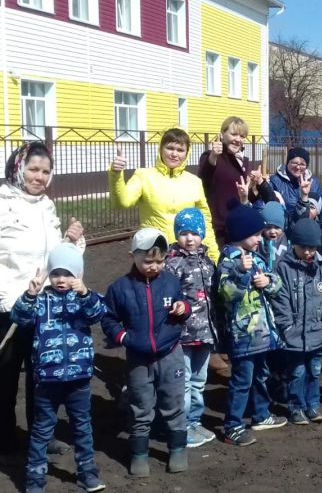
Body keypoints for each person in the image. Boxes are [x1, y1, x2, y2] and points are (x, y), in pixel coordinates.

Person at [0, 141, 85, 458]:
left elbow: (54, 259)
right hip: (8, 305)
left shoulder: (47, 206)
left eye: (45, 171)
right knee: (6, 377)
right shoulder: (2, 202)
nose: (39, 176)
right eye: (33, 169)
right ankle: (4, 440)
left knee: (42, 376)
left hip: (44, 305)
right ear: (18, 168)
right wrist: (9, 298)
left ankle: (42, 435)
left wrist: (71, 241)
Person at [12, 243, 107, 493]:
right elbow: (19, 318)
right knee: (42, 429)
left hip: (79, 379)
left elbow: (99, 314)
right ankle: (34, 479)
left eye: (68, 274)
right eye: (55, 273)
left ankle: (88, 474)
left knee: (82, 427)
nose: (61, 279)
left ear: (79, 275)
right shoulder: (41, 301)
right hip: (47, 380)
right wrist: (30, 294)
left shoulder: (84, 300)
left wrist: (85, 293)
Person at [101, 229, 190, 477]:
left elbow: (184, 305)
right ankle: (139, 454)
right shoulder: (120, 288)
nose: (154, 266)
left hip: (170, 353)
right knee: (140, 405)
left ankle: (177, 449)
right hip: (138, 357)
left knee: (174, 402)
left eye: (159, 261)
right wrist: (123, 337)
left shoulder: (171, 282)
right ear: (133, 256)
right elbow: (108, 319)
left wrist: (184, 308)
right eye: (147, 261)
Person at [215, 204, 287, 448]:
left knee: (261, 375)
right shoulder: (228, 262)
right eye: (255, 234)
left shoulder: (257, 258)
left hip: (262, 333)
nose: (260, 238)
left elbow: (277, 285)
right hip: (242, 335)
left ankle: (261, 414)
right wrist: (242, 274)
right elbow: (226, 294)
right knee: (242, 379)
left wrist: (268, 281)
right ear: (239, 234)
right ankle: (232, 425)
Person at [109, 127, 220, 263]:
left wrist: (214, 257)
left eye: (180, 150)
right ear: (161, 149)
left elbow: (204, 223)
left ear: (187, 153)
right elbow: (122, 202)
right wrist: (115, 174)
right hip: (154, 255)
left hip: (186, 258)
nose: (174, 154)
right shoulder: (144, 176)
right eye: (170, 148)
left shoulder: (194, 182)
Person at [272, 219, 322, 425]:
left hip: (317, 332)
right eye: (304, 248)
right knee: (297, 372)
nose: (309, 252)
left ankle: (312, 406)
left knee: (315, 371)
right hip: (294, 334)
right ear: (294, 244)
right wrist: (286, 325)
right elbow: (280, 299)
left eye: (313, 248)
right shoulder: (283, 267)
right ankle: (296, 408)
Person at [163, 209, 218, 449]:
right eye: (183, 233)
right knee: (183, 382)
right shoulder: (173, 263)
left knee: (199, 380)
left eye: (194, 233)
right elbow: (165, 295)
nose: (189, 238)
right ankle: (181, 427)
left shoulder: (208, 262)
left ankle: (195, 421)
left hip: (204, 332)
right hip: (182, 334)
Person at [197, 117, 275, 246]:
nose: (238, 139)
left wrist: (257, 186)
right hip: (218, 228)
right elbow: (204, 177)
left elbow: (244, 196)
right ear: (222, 134)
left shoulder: (244, 161)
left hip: (239, 228)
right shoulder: (211, 156)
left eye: (242, 136)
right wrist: (213, 156)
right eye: (233, 134)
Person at [270, 147, 322, 224]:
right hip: (283, 231)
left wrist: (320, 231)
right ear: (287, 162)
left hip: (308, 230)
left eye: (302, 164)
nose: (298, 167)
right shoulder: (275, 181)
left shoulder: (313, 182)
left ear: (306, 166)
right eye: (294, 163)